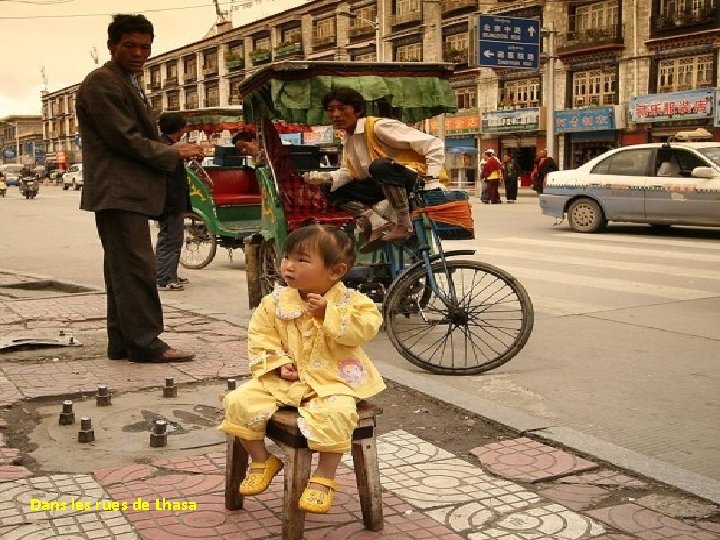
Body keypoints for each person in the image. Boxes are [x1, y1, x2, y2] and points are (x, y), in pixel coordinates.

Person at [218, 225, 385, 514]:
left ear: (335, 271)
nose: (288, 266)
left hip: (333, 382)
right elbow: (261, 336)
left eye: (302, 260)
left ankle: (323, 477)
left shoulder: (354, 304)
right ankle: (262, 460)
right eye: (287, 258)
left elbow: (364, 330)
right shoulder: (275, 303)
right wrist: (280, 365)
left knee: (338, 413)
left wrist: (328, 314)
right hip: (283, 382)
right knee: (237, 401)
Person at [76, 14, 203, 363]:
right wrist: (172, 151)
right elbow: (126, 139)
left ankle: (123, 342)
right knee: (135, 267)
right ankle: (147, 343)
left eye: (145, 47)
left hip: (127, 191)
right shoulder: (102, 83)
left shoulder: (127, 82)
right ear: (112, 45)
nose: (138, 53)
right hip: (119, 191)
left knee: (123, 269)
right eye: (129, 45)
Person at [303, 87, 445, 253]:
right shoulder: (348, 139)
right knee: (330, 187)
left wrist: (432, 180)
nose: (335, 114)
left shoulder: (379, 127)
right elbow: (349, 172)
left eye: (342, 109)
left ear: (358, 110)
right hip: (385, 184)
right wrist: (325, 177)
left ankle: (404, 225)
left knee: (379, 166)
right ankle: (377, 223)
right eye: (331, 110)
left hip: (413, 181)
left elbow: (433, 144)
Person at [155, 112, 191, 291]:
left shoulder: (166, 145)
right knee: (170, 239)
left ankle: (169, 273)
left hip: (171, 200)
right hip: (169, 201)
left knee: (173, 239)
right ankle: (164, 278)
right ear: (180, 128)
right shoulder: (166, 147)